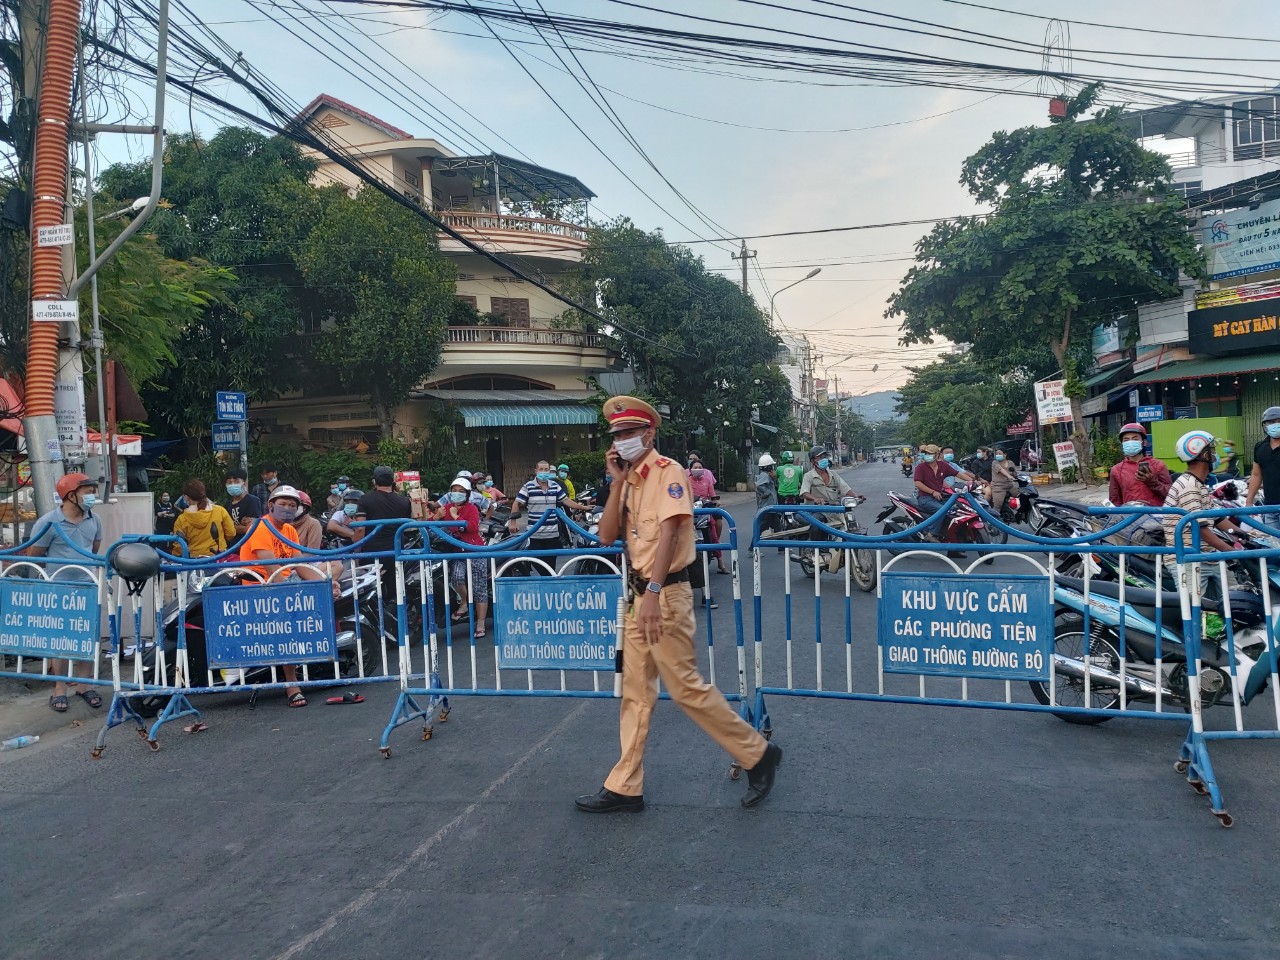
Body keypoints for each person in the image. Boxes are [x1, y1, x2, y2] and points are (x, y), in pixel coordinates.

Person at [575, 396, 781, 814]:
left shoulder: (669, 474)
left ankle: (758, 753)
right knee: (634, 693)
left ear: (649, 434)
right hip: (637, 597)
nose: (621, 441)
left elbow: (669, 535)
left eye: (629, 433)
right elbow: (605, 535)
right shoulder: (630, 480)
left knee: (685, 688)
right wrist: (616, 482)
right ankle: (625, 785)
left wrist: (651, 594)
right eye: (616, 435)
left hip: (663, 595)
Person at [238, 485, 340, 707]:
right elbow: (271, 570)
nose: (287, 509)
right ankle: (291, 682)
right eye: (282, 504)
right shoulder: (260, 527)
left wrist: (325, 584)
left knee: (336, 567)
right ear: (271, 505)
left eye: (292, 506)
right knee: (287, 625)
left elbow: (300, 566)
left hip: (286, 580)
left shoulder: (290, 530)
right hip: (261, 587)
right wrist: (295, 595)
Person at [26, 473, 104, 713]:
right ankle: (59, 688)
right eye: (87, 491)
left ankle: (84, 685)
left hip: (87, 587)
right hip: (58, 589)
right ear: (71, 496)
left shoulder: (95, 520)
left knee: (86, 637)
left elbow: (94, 549)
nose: (92, 496)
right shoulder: (48, 522)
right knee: (59, 639)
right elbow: (33, 556)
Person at [1163, 432, 1245, 597]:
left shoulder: (1198, 484)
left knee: (1237, 600)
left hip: (1208, 556)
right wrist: (1232, 552)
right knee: (1195, 609)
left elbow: (1217, 519)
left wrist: (1245, 535)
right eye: (1212, 450)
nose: (1215, 455)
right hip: (1189, 558)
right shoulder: (1189, 487)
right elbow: (1201, 529)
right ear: (1204, 454)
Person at [432, 476, 490, 636]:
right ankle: (464, 602)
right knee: (456, 578)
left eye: (461, 492)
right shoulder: (446, 508)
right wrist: (436, 517)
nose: (457, 494)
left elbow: (472, 526)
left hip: (475, 551)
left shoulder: (471, 508)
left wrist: (456, 516)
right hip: (457, 552)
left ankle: (480, 624)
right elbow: (430, 526)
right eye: (454, 491)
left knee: (479, 589)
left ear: (467, 494)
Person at [507, 460, 586, 554]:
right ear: (536, 471)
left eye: (546, 469)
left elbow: (566, 500)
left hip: (552, 534)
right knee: (538, 563)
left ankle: (569, 543)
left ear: (550, 471)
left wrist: (583, 507)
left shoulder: (555, 486)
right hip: (534, 534)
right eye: (541, 469)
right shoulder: (528, 486)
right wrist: (513, 522)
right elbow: (517, 503)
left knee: (550, 565)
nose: (543, 472)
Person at [912, 443, 976, 531]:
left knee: (958, 508)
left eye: (930, 453)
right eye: (926, 454)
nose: (928, 456)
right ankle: (932, 533)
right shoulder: (920, 467)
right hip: (925, 498)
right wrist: (933, 492)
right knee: (942, 511)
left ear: (937, 455)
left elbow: (959, 474)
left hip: (940, 496)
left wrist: (972, 482)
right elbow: (918, 483)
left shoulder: (943, 466)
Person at [1108, 422, 1172, 508]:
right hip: (1130, 517)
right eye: (1126, 440)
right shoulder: (1116, 470)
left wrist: (1152, 482)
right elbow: (1114, 501)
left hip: (1157, 517)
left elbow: (1171, 494)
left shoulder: (1158, 465)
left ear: (1144, 442)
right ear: (1122, 444)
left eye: (1135, 439)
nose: (1130, 442)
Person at [356, 466, 412, 558]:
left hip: (373, 553)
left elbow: (360, 529)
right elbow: (408, 525)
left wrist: (357, 553)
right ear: (393, 481)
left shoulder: (365, 499)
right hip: (398, 553)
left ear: (374, 481)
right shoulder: (404, 501)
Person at [171, 479, 235, 558]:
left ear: (186, 497)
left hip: (194, 561)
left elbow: (179, 547)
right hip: (218, 558)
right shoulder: (220, 510)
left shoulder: (181, 519)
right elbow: (231, 534)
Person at [686, 459, 729, 574]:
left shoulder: (707, 481)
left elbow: (713, 495)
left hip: (705, 510)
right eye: (695, 467)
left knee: (714, 536)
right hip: (690, 511)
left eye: (700, 467)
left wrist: (715, 501)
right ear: (690, 470)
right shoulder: (686, 481)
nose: (697, 469)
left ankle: (720, 563)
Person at [1246, 406, 1280, 508]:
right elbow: (1256, 475)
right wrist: (1249, 501)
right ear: (1264, 425)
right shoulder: (1260, 447)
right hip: (1269, 506)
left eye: (1279, 421)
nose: (1275, 425)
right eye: (1271, 422)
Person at [223, 467, 263, 546]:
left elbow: (249, 528)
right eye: (229, 483)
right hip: (232, 548)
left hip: (249, 545)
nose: (233, 485)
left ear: (244, 483)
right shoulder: (226, 505)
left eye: (237, 482)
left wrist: (230, 528)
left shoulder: (252, 501)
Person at [755, 453, 780, 534]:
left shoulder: (767, 476)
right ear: (768, 467)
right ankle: (753, 546)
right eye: (771, 466)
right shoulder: (764, 476)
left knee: (778, 529)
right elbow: (759, 485)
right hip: (767, 508)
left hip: (771, 507)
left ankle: (781, 547)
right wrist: (767, 492)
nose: (772, 468)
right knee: (761, 528)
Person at [989, 448, 1018, 516]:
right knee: (997, 506)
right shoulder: (995, 462)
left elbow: (1015, 474)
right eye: (997, 454)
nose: (997, 455)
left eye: (1000, 454)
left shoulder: (1010, 463)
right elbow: (1001, 470)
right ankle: (993, 522)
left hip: (1010, 485)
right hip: (998, 486)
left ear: (1005, 455)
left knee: (1023, 495)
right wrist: (1009, 476)